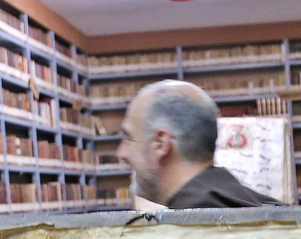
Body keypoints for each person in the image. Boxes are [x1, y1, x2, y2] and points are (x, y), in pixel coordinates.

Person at [116, 79, 276, 208]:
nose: (121, 154)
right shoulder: (267, 209)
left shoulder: (191, 227)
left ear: (161, 144)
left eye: (129, 137)